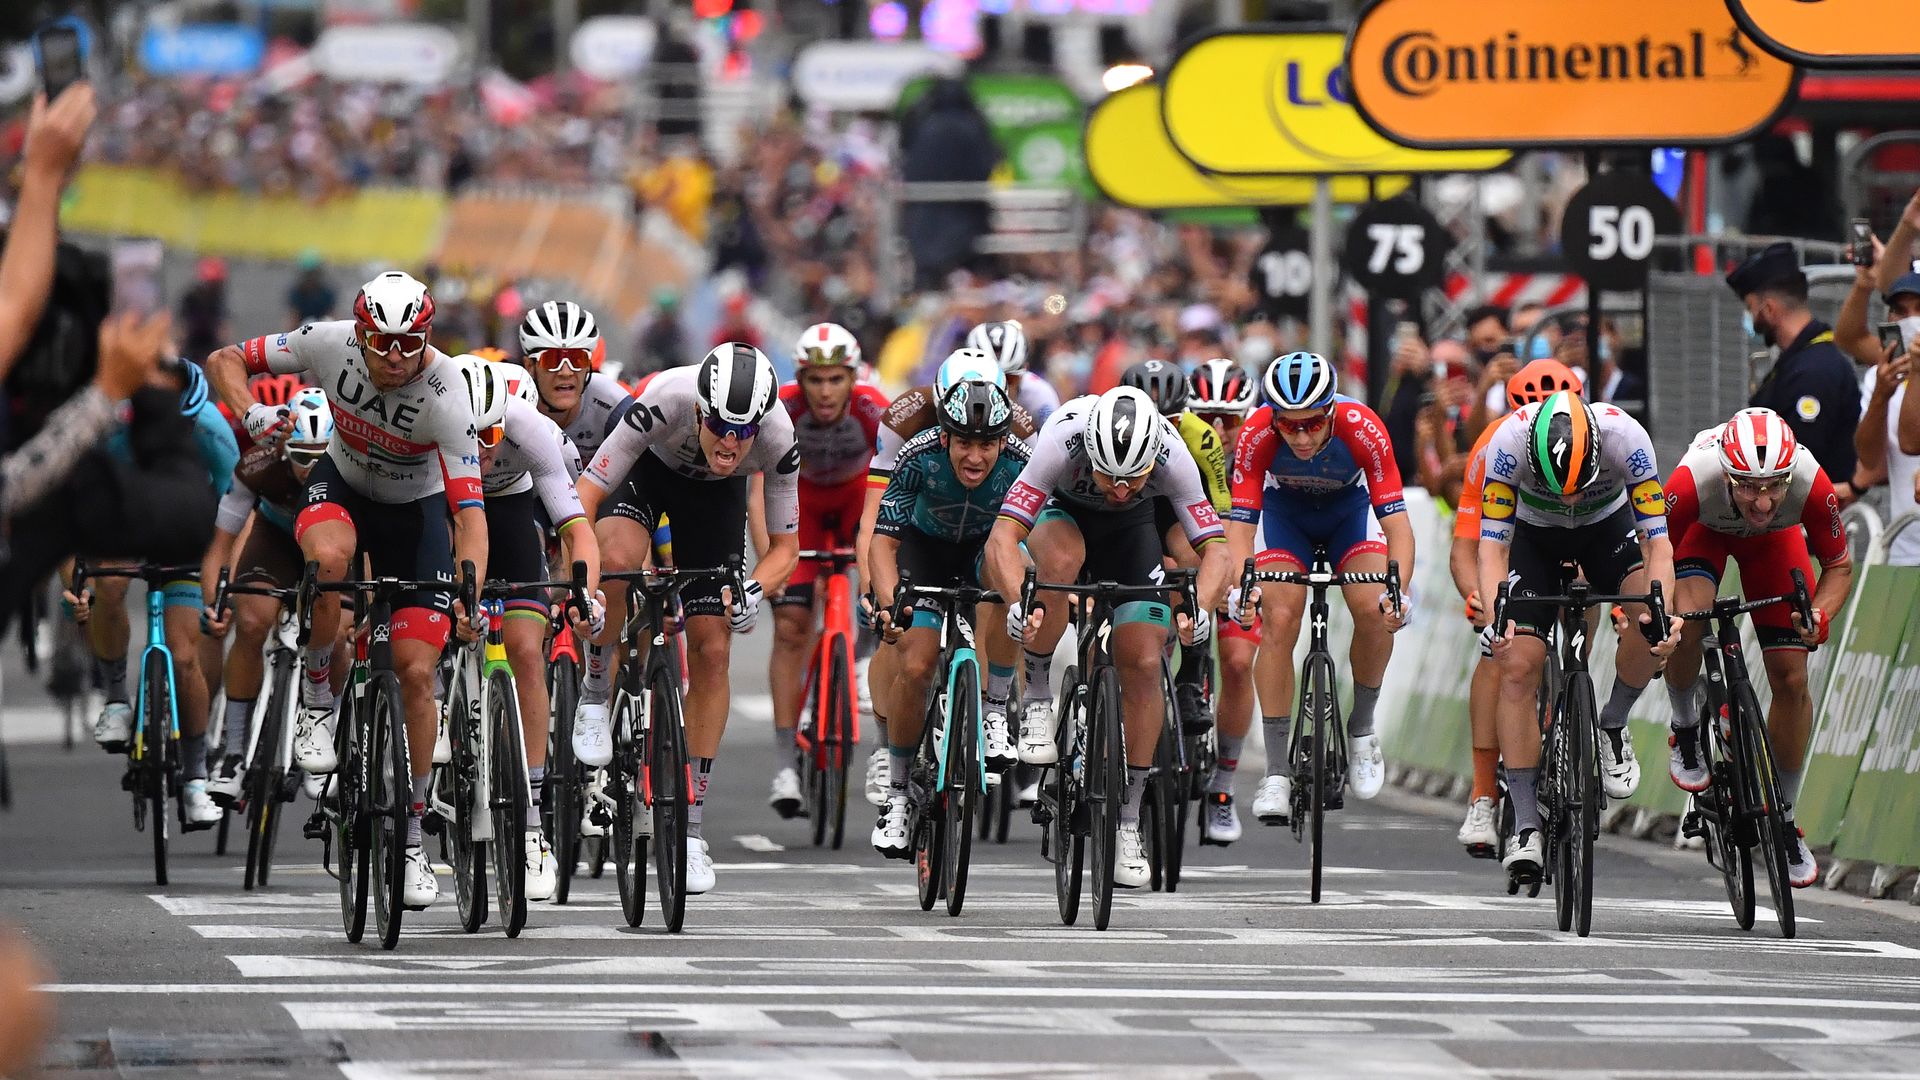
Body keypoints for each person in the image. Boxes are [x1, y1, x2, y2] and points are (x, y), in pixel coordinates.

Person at [206, 270, 488, 912]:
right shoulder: (326, 342)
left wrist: (468, 583)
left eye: (408, 343)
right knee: (328, 558)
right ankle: (315, 695)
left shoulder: (447, 395)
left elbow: (470, 516)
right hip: (343, 487)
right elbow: (225, 360)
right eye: (380, 342)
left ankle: (412, 836)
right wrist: (252, 413)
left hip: (415, 516)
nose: (394, 357)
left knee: (417, 674)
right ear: (359, 334)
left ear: (426, 338)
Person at [985, 386, 1233, 889]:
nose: (1119, 488)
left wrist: (1201, 609)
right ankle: (1036, 695)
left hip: (1131, 532)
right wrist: (1017, 602)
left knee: (1142, 661)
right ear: (1089, 453)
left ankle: (1125, 821)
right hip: (1064, 515)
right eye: (1108, 475)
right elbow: (1003, 536)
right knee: (1057, 564)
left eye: (1133, 479)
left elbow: (1217, 552)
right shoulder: (1061, 438)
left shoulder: (1171, 453)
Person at [574, 343, 799, 896]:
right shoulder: (664, 400)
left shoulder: (776, 437)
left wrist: (754, 587)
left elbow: (786, 547)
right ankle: (596, 691)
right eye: (721, 425)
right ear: (700, 409)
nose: (731, 441)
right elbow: (586, 493)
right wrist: (583, 582)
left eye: (743, 431)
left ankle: (692, 828)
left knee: (713, 647)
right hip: (646, 476)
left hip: (713, 503)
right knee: (620, 563)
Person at [1475, 391, 1682, 880]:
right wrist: (1495, 619)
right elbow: (1491, 550)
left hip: (1606, 526)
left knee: (1648, 617)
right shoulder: (1506, 445)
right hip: (1532, 536)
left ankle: (1612, 721)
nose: (1567, 496)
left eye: (1576, 485)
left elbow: (1658, 544)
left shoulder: (1627, 439)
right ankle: (1526, 824)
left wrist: (1662, 610)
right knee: (1519, 664)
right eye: (1556, 487)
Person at [1661, 408, 1852, 888]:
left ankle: (1784, 816)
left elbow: (1839, 567)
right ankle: (1686, 723)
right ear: (1726, 473)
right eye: (1747, 485)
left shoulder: (1812, 482)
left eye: (1774, 486)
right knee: (1684, 621)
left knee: (1791, 679)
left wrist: (1820, 616)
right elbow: (1653, 549)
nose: (1763, 502)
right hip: (1701, 534)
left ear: (1791, 474)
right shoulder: (1691, 481)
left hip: (1773, 546)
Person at [1227, 352, 1414, 828]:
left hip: (1348, 517)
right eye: (1290, 427)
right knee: (1280, 619)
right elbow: (1240, 529)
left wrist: (1399, 590)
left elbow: (1398, 526)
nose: (1303, 436)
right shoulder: (1255, 433)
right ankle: (1275, 772)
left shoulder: (1362, 426)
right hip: (1285, 517)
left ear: (1332, 411)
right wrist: (1241, 584)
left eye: (1313, 424)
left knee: (1374, 609)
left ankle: (1362, 728)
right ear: (1274, 419)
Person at [857, 349, 1035, 806]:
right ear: (944, 437)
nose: (975, 457)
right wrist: (884, 596)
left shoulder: (1023, 456)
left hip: (983, 548)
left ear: (1003, 440)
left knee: (1008, 576)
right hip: (925, 548)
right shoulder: (917, 454)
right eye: (963, 444)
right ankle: (897, 792)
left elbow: (1038, 539)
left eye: (986, 445)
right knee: (915, 664)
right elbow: (882, 539)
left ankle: (995, 707)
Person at [460, 355, 604, 901]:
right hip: (446, 505)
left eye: (492, 434)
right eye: (471, 436)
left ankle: (535, 821)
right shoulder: (431, 425)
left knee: (524, 648)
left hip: (513, 510)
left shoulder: (536, 433)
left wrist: (585, 592)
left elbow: (576, 529)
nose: (482, 449)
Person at [80, 357, 239, 830]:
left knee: (184, 654)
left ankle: (194, 777)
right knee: (107, 584)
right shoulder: (114, 428)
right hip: (128, 525)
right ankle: (115, 698)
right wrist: (80, 580)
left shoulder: (211, 429)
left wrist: (222, 584)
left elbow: (237, 509)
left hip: (192, 536)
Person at [1446, 360, 1581, 856]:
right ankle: (1483, 794)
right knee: (1497, 649)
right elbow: (1466, 546)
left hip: (1577, 538)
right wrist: (1477, 595)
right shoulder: (1493, 446)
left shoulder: (1602, 436)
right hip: (1512, 545)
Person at [767, 324, 892, 816]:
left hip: (859, 497)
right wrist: (772, 560)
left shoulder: (872, 408)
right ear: (801, 379)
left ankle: (861, 654)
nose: (824, 391)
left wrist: (876, 555)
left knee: (878, 588)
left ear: (852, 378)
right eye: (815, 380)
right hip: (802, 504)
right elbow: (760, 492)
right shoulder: (782, 406)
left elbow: (891, 490)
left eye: (836, 379)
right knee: (792, 626)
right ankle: (782, 763)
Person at [198, 388, 341, 806]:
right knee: (252, 622)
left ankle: (329, 741)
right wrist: (214, 602)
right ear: (281, 446)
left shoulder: (353, 468)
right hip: (277, 538)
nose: (309, 467)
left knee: (342, 635)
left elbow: (368, 547)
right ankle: (235, 753)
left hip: (333, 541)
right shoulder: (257, 466)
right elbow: (220, 547)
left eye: (320, 456)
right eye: (299, 454)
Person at [1119, 359, 1229, 740]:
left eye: (1172, 419)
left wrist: (1223, 575)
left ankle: (1189, 678)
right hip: (1125, 500)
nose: (1162, 429)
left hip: (1173, 505)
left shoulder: (1201, 437)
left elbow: (1221, 515)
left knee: (1197, 560)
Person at [1186, 357, 1259, 843]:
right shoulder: (1177, 446)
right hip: (1188, 557)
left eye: (1229, 420)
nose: (1218, 429)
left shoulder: (1259, 454)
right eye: (1207, 417)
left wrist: (1242, 587)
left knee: (1236, 663)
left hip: (1239, 557)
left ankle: (1223, 786)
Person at [1729, 242, 1861, 504]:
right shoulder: (1797, 362)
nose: (1749, 316)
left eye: (1750, 307)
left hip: (1807, 526)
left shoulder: (1813, 372)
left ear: (1769, 309)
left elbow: (1796, 462)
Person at [968, 320, 1060, 428]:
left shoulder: (1040, 395)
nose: (1000, 388)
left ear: (1025, 370)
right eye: (990, 380)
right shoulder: (949, 388)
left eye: (1009, 378)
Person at [178, 258, 229, 362]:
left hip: (211, 343)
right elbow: (182, 326)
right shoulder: (191, 297)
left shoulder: (217, 298)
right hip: (192, 343)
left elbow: (222, 327)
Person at [285, 251, 337, 326]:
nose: (311, 278)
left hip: (324, 327)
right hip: (302, 329)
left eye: (314, 274)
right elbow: (293, 318)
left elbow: (332, 315)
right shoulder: (297, 294)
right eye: (309, 275)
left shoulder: (326, 293)